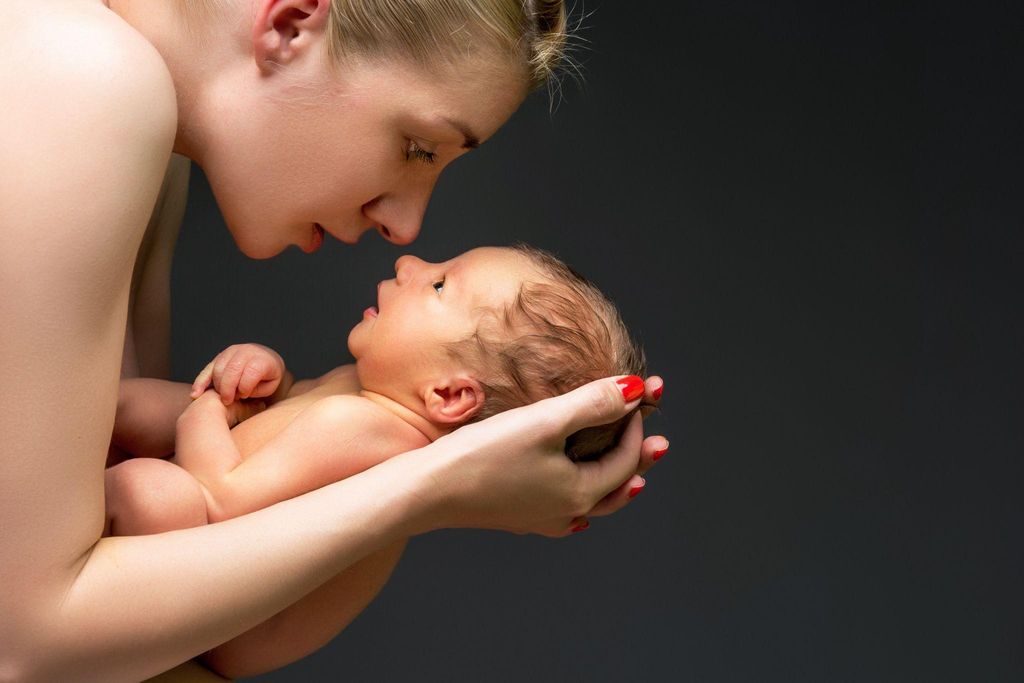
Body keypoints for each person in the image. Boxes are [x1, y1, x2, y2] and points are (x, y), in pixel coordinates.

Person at [0, 1, 667, 681]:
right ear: (289, 26)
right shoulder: (93, 78)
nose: (406, 229)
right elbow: (27, 645)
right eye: (417, 147)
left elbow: (117, 628)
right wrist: (436, 485)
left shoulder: (143, 136)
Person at [105, 245, 652, 677]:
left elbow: (221, 500)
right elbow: (279, 425)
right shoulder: (361, 397)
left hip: (219, 624)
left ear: (449, 395)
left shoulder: (370, 433)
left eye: (439, 284)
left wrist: (202, 413)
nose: (409, 264)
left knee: (153, 489)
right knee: (127, 405)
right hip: (207, 538)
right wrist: (265, 379)